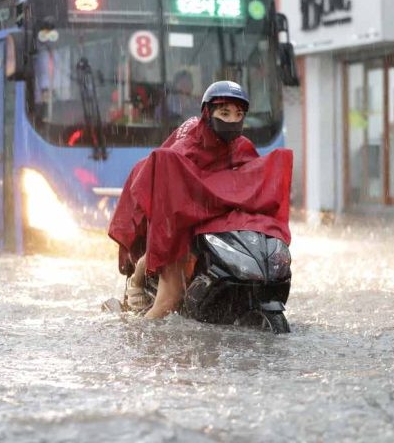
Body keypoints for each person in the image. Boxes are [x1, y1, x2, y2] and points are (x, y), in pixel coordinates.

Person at [109, 80, 292, 320]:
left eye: (238, 114)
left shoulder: (241, 146)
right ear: (208, 113)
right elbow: (168, 197)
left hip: (213, 226)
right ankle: (138, 337)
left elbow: (251, 185)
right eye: (224, 113)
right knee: (169, 301)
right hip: (178, 222)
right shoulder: (185, 150)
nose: (231, 121)